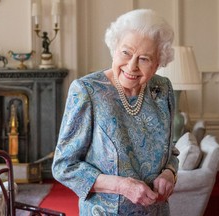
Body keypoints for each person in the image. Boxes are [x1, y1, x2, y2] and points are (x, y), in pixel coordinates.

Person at [52, 9, 179, 215]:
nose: (132, 66)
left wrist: (169, 174)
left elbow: (171, 150)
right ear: (114, 48)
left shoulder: (162, 89)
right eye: (126, 52)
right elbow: (64, 167)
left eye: (144, 58)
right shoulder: (87, 91)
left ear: (157, 63)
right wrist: (121, 186)